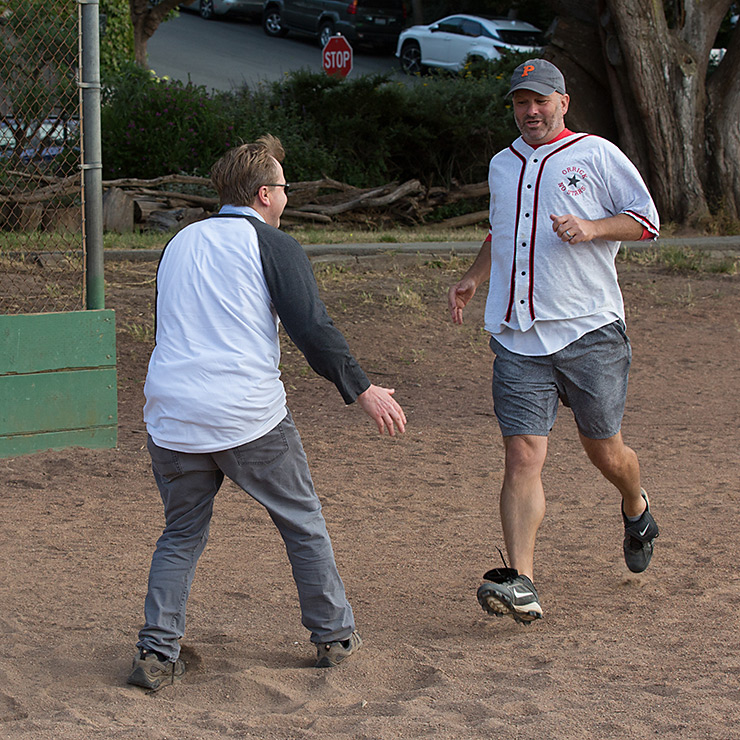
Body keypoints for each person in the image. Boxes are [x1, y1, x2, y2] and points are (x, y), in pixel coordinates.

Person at [127, 135, 407, 691]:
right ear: (263, 195)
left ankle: (156, 653)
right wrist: (362, 389)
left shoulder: (179, 242)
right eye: (283, 187)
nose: (287, 195)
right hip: (246, 415)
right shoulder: (274, 246)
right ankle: (333, 635)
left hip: (172, 416)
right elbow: (313, 330)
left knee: (181, 534)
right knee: (302, 522)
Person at [447, 59, 660, 625]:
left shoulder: (596, 154)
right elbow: (502, 230)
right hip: (518, 337)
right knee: (521, 455)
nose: (531, 111)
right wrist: (473, 277)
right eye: (522, 102)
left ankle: (636, 506)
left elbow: (646, 220)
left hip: (589, 332)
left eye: (541, 101)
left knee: (605, 451)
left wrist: (592, 229)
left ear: (564, 103)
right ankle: (522, 582)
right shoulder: (502, 165)